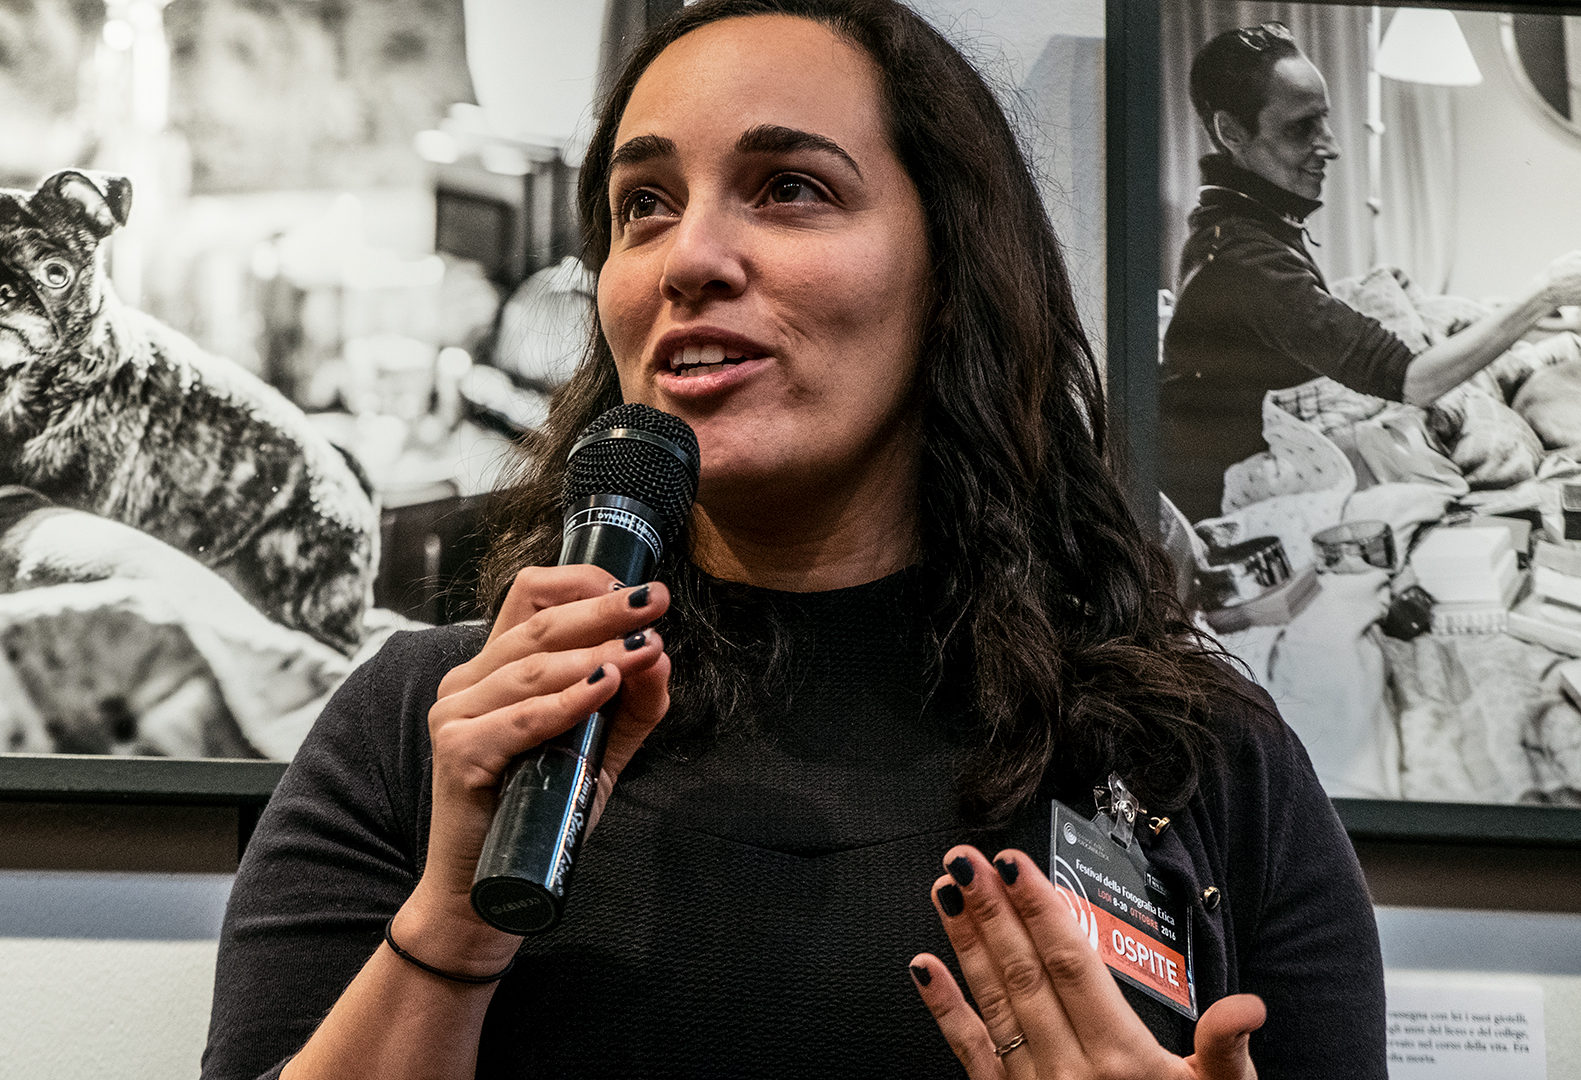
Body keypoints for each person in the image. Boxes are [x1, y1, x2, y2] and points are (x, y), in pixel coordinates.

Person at [201, 2, 1386, 1077]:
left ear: (954, 269)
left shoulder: (1205, 762)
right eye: (642, 206)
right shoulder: (428, 731)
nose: (690, 258)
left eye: (789, 188)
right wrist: (453, 923)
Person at [1161, 22, 1581, 522]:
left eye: (1326, 119)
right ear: (1232, 133)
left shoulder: (1241, 223)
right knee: (1465, 404)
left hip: (1284, 420)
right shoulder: (1242, 262)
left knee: (1461, 330)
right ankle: (1552, 351)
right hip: (1241, 482)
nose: (1332, 146)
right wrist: (1546, 293)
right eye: (1302, 127)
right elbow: (1413, 381)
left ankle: (1548, 352)